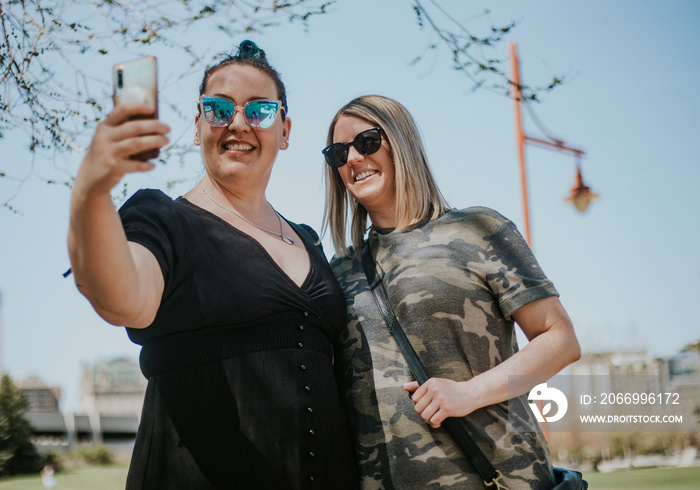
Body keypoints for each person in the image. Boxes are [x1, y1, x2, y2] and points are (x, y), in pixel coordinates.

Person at [68, 40, 358, 490]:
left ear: (285, 131)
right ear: (198, 122)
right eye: (219, 108)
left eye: (259, 111)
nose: (238, 123)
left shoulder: (308, 239)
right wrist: (91, 190)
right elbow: (125, 299)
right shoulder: (165, 219)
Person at [322, 95, 582, 489]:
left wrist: (470, 393)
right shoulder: (336, 272)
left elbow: (561, 340)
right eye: (338, 152)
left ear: (401, 142)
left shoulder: (477, 228)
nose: (353, 158)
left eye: (368, 142)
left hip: (502, 477)